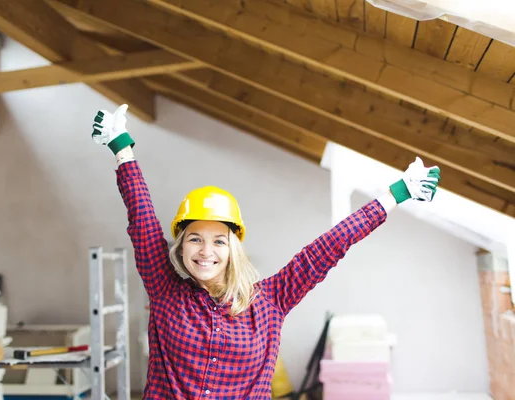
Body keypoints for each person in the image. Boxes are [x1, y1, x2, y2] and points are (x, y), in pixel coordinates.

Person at [91, 104, 441, 399]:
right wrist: (121, 147)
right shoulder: (165, 290)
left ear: (233, 248)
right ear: (181, 248)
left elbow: (331, 245)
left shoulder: (271, 300)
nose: (205, 251)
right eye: (194, 238)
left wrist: (396, 193)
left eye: (218, 240)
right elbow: (142, 218)